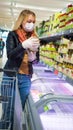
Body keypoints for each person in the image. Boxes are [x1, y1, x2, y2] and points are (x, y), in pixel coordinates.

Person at [1, 9, 40, 129]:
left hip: (25, 78)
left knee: (19, 110)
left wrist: (33, 59)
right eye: (29, 21)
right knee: (8, 110)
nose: (31, 24)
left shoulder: (35, 38)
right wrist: (23, 46)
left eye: (33, 21)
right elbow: (10, 55)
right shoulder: (13, 35)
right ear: (22, 21)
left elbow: (37, 60)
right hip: (11, 76)